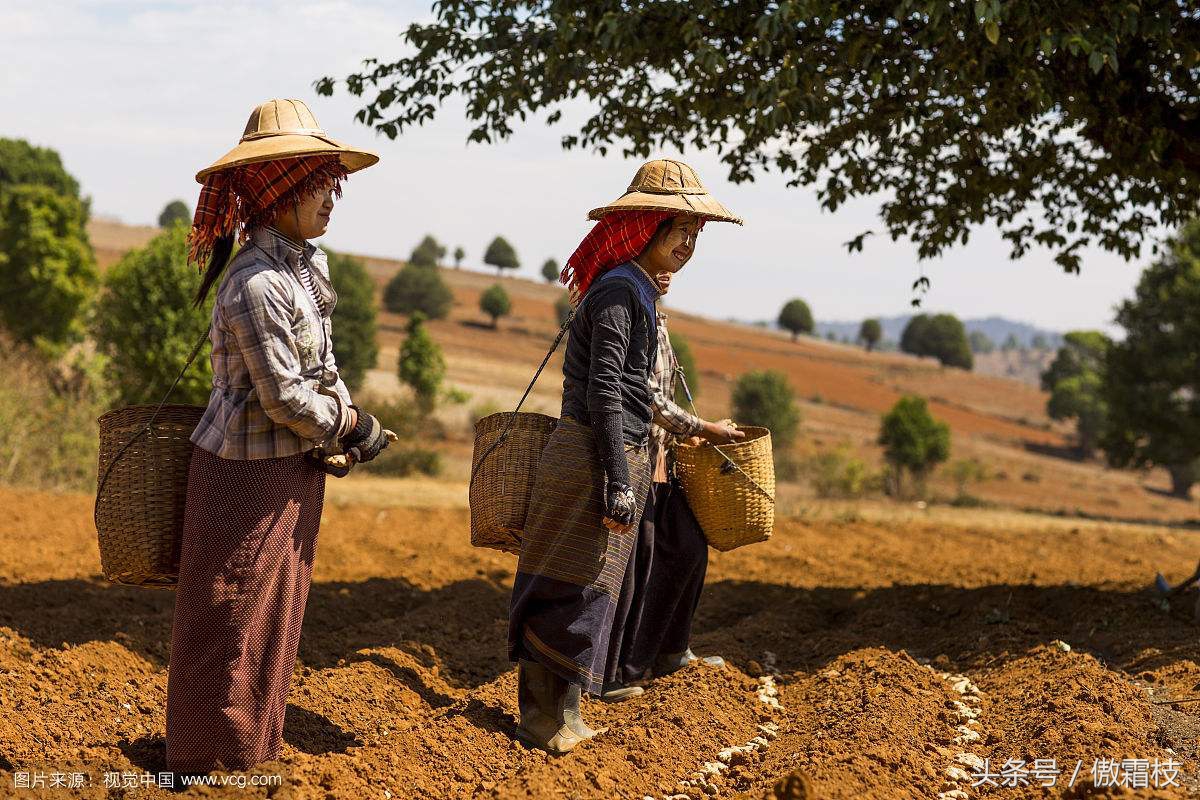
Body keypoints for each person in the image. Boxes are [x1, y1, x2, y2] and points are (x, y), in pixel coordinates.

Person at [165, 98, 391, 773]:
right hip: (243, 477)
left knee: (274, 616)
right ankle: (208, 767)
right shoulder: (256, 283)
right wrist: (350, 424)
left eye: (332, 183)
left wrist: (342, 425)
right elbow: (285, 395)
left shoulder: (304, 270)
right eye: (319, 184)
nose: (332, 197)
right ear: (279, 192)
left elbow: (322, 369)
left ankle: (250, 755)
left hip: (290, 468)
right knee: (232, 618)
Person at [508, 159, 742, 754]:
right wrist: (618, 477)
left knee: (593, 587)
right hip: (589, 454)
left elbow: (635, 392)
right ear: (646, 229)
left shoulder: (637, 291)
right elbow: (606, 392)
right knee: (567, 585)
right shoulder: (618, 291)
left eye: (694, 235)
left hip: (612, 453)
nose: (687, 245)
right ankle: (541, 719)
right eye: (678, 231)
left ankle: (565, 712)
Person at [602, 302, 743, 699]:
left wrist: (683, 436)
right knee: (635, 565)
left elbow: (661, 395)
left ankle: (670, 651)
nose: (668, 276)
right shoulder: (628, 311)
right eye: (661, 272)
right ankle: (614, 671)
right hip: (633, 458)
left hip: (659, 458)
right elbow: (644, 396)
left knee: (688, 547)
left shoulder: (656, 319)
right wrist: (703, 427)